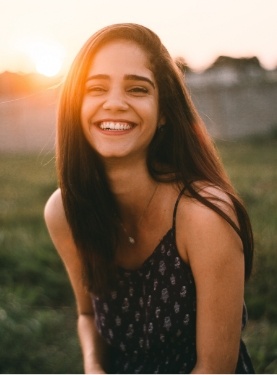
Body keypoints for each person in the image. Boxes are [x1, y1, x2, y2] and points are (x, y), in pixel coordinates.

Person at [44, 23, 255, 374]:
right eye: (96, 89)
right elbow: (86, 314)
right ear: (75, 107)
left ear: (164, 114)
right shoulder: (65, 211)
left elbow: (214, 369)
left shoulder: (205, 216)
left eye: (137, 89)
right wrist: (94, 367)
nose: (114, 103)